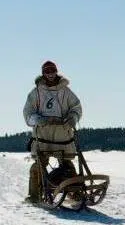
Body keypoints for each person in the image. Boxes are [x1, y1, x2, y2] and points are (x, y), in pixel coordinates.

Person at [23, 60, 83, 203]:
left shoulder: (65, 91)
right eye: (47, 71)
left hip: (62, 135)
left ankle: (75, 192)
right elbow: (28, 113)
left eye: (52, 71)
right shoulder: (36, 92)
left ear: (56, 71)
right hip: (43, 136)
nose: (50, 74)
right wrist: (39, 120)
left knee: (67, 165)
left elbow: (76, 107)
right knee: (38, 166)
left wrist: (73, 117)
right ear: (43, 73)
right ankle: (35, 195)